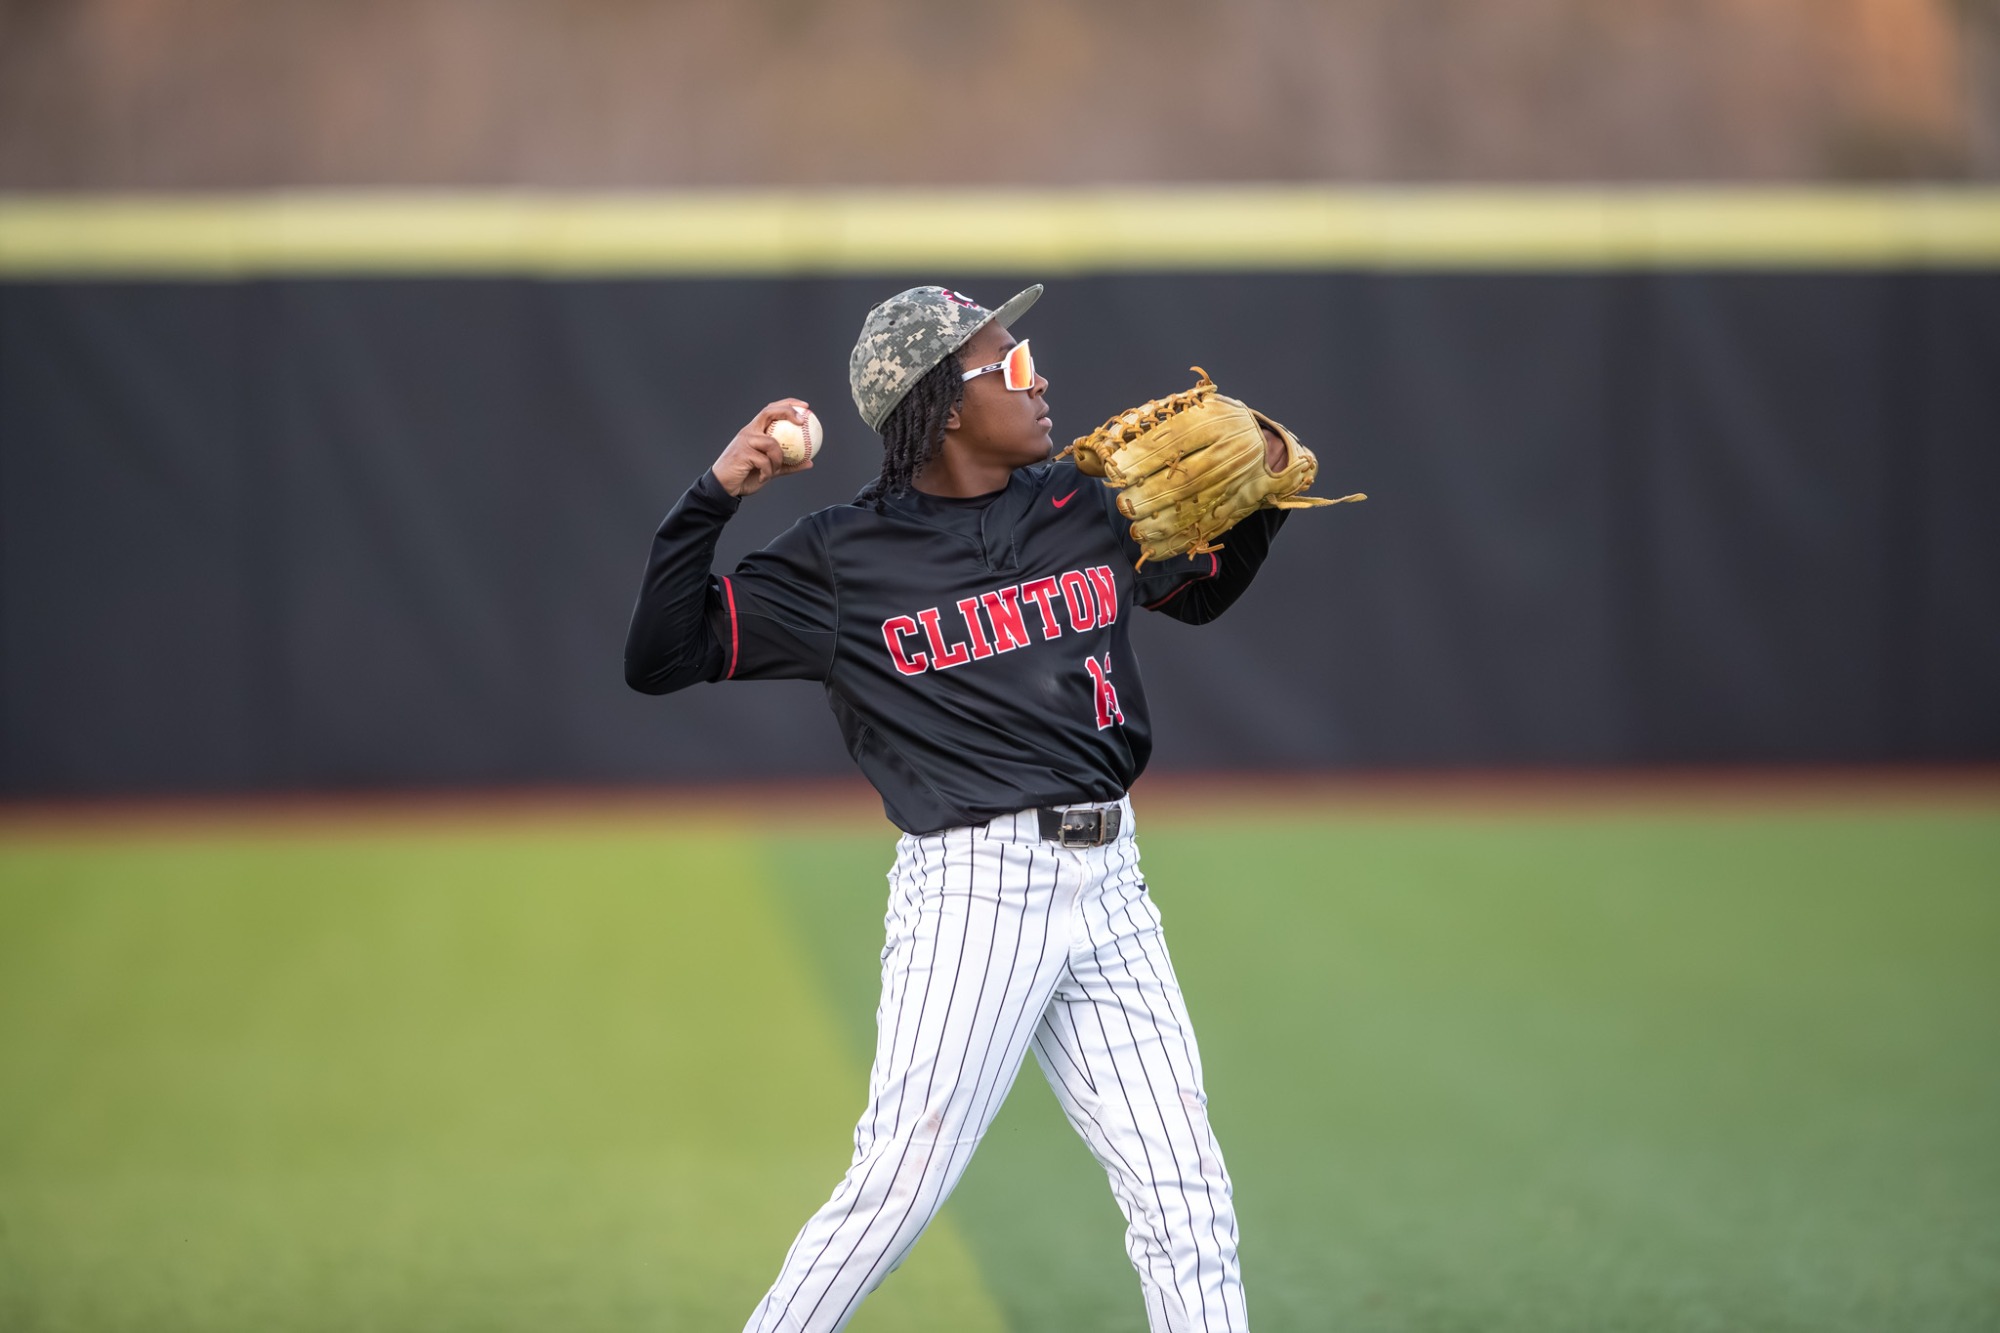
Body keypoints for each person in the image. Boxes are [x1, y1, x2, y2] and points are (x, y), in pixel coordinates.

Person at [625, 284, 1295, 1333]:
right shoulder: (842, 560)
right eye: (1009, 365)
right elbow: (663, 654)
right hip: (975, 896)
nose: (1038, 381)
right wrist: (714, 495)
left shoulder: (1083, 504)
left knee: (1185, 1194)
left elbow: (1198, 589)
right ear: (940, 405)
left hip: (1112, 882)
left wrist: (1254, 505)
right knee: (895, 1188)